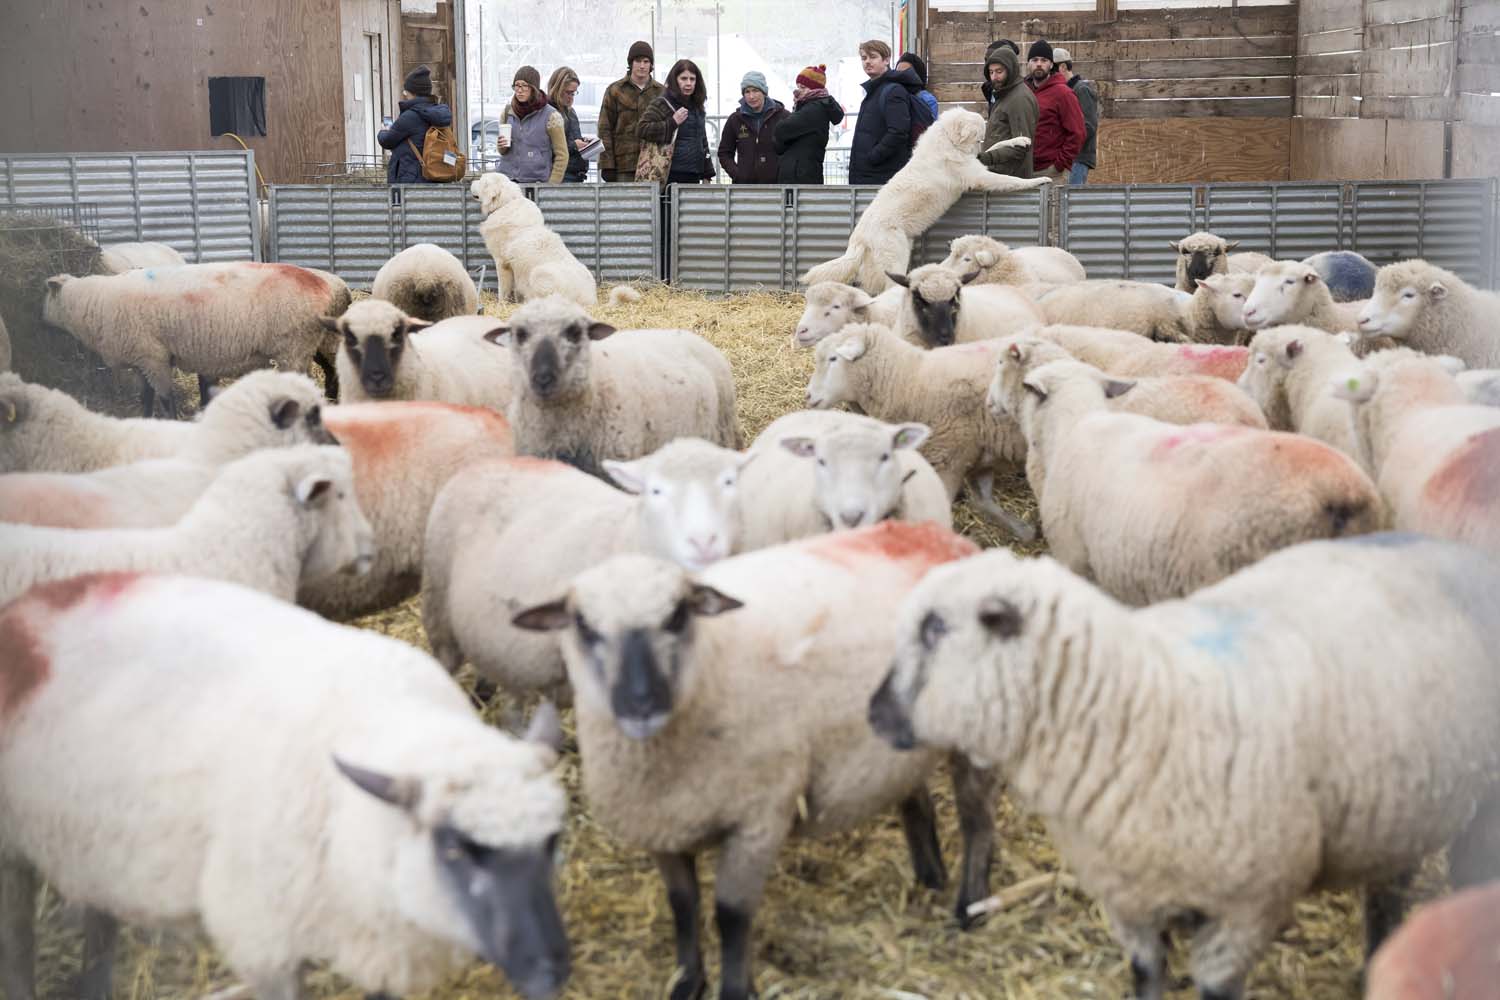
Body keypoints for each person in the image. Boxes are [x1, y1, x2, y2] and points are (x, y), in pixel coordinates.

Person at [848, 40, 924, 185]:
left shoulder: (893, 91)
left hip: (881, 176)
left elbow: (898, 132)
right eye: (864, 58)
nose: (867, 62)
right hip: (872, 174)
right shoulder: (876, 89)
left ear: (886, 60)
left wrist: (873, 157)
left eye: (873, 57)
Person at [637, 59, 713, 185]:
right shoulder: (662, 103)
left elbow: (702, 141)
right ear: (675, 80)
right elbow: (642, 128)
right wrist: (672, 122)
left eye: (692, 79)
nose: (688, 83)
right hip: (669, 173)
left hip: (693, 173)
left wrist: (708, 174)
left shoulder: (697, 107)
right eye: (683, 78)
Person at [598, 41, 664, 182]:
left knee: (653, 204)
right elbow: (605, 129)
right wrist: (607, 164)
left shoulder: (661, 92)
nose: (642, 66)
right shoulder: (615, 90)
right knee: (624, 204)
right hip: (623, 165)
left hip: (654, 164)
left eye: (646, 61)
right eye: (638, 61)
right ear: (631, 63)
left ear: (651, 64)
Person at [377, 65, 454, 184]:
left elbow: (387, 141)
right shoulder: (438, 112)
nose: (405, 94)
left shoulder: (410, 116)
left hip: (411, 180)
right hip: (435, 175)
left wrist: (384, 131)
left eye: (405, 91)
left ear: (412, 92)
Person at [1024, 39, 1086, 184]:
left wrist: (1059, 165)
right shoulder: (1023, 92)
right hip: (1025, 170)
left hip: (1052, 172)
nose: (1039, 64)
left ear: (1051, 64)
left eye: (1044, 60)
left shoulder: (1063, 93)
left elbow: (1078, 132)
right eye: (1034, 60)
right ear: (1028, 63)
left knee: (1052, 207)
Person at [495, 66, 567, 184]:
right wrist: (501, 145)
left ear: (534, 88)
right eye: (516, 85)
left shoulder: (551, 116)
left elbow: (562, 156)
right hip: (507, 182)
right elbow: (502, 152)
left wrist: (551, 186)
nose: (519, 90)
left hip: (536, 183)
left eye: (524, 85)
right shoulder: (507, 112)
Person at [774, 64, 844, 185]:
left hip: (800, 173)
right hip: (803, 171)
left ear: (815, 89)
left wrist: (779, 128)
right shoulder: (816, 105)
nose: (798, 91)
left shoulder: (814, 108)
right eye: (798, 87)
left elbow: (782, 130)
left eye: (803, 87)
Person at [717, 71, 789, 184]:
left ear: (764, 92)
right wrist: (737, 174)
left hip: (776, 187)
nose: (751, 96)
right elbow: (724, 153)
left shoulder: (783, 117)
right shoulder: (735, 119)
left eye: (756, 90)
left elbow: (792, 151)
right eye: (747, 91)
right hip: (744, 188)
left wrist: (781, 174)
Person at [977, 44, 1036, 178]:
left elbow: (1021, 145)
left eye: (999, 71)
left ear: (1010, 70)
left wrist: (987, 158)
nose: (994, 77)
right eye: (991, 72)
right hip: (999, 175)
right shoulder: (1004, 95)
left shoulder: (1019, 99)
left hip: (1011, 178)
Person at [1052, 48, 1098, 185]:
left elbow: (1088, 126)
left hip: (1078, 159)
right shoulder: (1065, 91)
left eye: (1052, 71)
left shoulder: (1081, 90)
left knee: (1070, 200)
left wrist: (1068, 147)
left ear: (1062, 67)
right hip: (1069, 158)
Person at [548, 66, 590, 182]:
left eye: (574, 93)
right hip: (561, 175)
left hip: (577, 174)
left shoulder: (570, 111)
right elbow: (545, 147)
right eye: (568, 93)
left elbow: (573, 138)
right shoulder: (547, 113)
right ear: (557, 89)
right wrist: (574, 145)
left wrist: (584, 142)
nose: (571, 97)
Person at [980, 39, 1021, 112]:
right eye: (986, 60)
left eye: (993, 61)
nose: (988, 65)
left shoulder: (1019, 94)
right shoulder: (989, 89)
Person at [896, 52, 940, 121]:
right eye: (898, 73)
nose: (901, 77)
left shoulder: (927, 100)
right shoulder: (893, 94)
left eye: (906, 73)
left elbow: (930, 127)